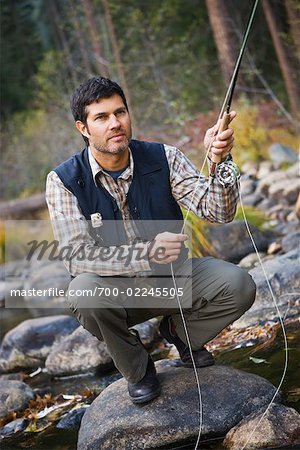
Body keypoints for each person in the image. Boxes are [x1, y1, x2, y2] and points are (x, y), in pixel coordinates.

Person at [46, 76, 256, 404]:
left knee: (239, 284)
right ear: (83, 128)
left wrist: (221, 161)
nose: (115, 123)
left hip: (174, 280)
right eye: (101, 117)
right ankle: (138, 369)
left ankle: (178, 332)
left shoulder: (164, 157)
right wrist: (146, 254)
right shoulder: (63, 180)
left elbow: (219, 212)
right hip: (114, 294)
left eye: (120, 113)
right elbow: (76, 256)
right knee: (83, 292)